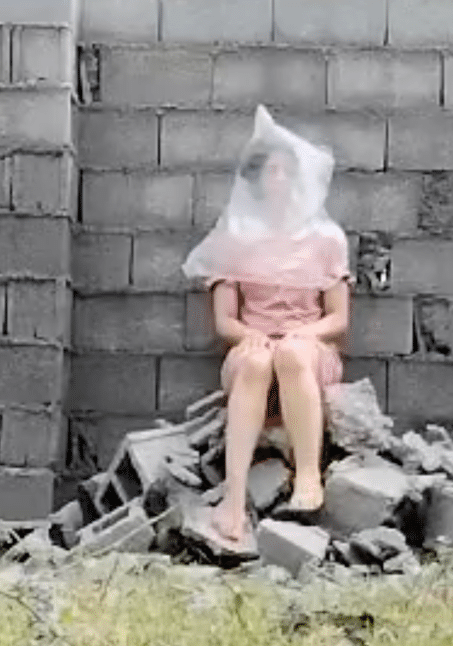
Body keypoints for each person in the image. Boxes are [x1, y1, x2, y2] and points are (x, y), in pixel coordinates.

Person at [182, 105, 352, 550]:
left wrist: (305, 334)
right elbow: (225, 320)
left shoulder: (325, 239)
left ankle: (308, 477)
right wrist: (250, 336)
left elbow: (338, 317)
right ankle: (233, 501)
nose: (278, 180)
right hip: (252, 349)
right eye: (269, 171)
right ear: (255, 180)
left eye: (286, 172)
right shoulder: (235, 237)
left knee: (291, 354)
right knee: (258, 360)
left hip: (307, 352)